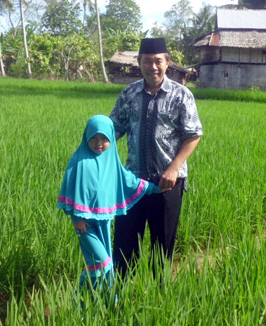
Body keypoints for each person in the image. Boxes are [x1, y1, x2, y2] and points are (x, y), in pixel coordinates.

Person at [110, 38, 203, 278]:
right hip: (132, 183)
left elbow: (193, 135)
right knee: (124, 246)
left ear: (167, 63)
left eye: (158, 61)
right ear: (139, 63)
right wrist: (92, 151)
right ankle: (119, 299)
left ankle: (158, 299)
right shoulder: (129, 94)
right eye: (147, 61)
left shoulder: (181, 95)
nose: (153, 67)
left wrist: (173, 169)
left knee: (162, 248)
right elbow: (113, 130)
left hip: (167, 183)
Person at [57, 115, 161, 293]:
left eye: (104, 138)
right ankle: (79, 301)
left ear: (111, 138)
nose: (99, 143)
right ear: (86, 137)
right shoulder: (78, 162)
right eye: (94, 138)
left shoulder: (112, 162)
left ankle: (103, 301)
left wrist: (156, 188)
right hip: (84, 225)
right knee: (101, 261)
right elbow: (70, 191)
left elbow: (130, 181)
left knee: (104, 265)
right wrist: (76, 219)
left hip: (103, 221)